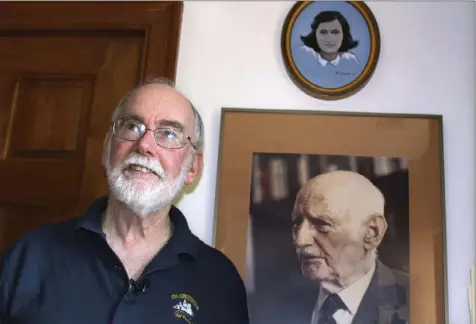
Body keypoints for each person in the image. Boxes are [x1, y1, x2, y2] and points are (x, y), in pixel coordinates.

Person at [0, 77, 250, 324]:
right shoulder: (29, 256)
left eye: (169, 133)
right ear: (107, 148)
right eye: (132, 126)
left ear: (192, 168)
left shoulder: (220, 281)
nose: (144, 145)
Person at [291, 170, 409, 324]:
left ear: (372, 232)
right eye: (296, 224)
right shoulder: (271, 305)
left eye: (322, 224)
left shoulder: (417, 299)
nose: (300, 240)